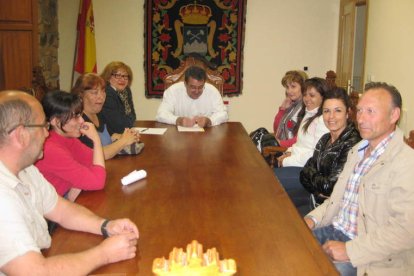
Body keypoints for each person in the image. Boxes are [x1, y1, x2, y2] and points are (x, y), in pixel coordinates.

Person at [0, 90, 139, 275]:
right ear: (21, 135)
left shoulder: (26, 170)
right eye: (43, 126)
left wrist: (105, 226)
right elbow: (35, 272)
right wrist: (104, 254)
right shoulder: (3, 195)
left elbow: (62, 210)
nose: (47, 134)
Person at [304, 82, 414, 275]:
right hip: (335, 230)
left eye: (371, 111)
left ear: (394, 115)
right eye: (360, 110)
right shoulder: (358, 151)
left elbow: (405, 231)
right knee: (287, 244)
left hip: (371, 254)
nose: (361, 118)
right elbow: (337, 200)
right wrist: (312, 219)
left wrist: (349, 250)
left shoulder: (406, 163)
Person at [294, 88, 361, 215]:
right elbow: (303, 173)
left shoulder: (353, 143)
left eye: (338, 111)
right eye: (326, 111)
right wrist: (318, 190)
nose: (331, 117)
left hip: (335, 212)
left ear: (348, 113)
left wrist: (313, 176)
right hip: (315, 200)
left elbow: (330, 187)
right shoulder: (325, 139)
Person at [35, 91, 106, 201]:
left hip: (65, 199)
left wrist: (77, 185)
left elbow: (95, 161)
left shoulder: (67, 138)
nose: (82, 120)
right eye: (75, 116)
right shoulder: (50, 148)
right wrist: (96, 140)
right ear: (55, 121)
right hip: (51, 212)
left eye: (80, 115)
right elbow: (98, 181)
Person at [273, 78, 329, 192]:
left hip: (308, 171)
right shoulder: (308, 114)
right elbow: (299, 144)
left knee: (268, 181)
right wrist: (288, 152)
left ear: (322, 97)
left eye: (312, 95)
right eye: (305, 95)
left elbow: (315, 155)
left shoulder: (322, 120)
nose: (307, 99)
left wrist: (286, 161)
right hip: (298, 163)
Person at [72, 73, 143, 160]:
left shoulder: (99, 113)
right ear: (80, 95)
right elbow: (94, 155)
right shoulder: (78, 121)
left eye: (103, 91)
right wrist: (123, 141)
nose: (101, 97)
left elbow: (110, 136)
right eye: (94, 93)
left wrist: (128, 136)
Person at [155, 65, 228, 127]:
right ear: (185, 84)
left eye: (200, 87)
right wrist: (179, 120)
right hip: (179, 138)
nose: (197, 91)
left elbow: (223, 114)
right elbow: (161, 114)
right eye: (193, 87)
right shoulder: (173, 91)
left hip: (206, 137)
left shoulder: (212, 91)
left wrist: (209, 121)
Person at [100, 61, 136, 135]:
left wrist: (128, 122)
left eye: (125, 76)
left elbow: (133, 116)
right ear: (108, 77)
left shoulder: (126, 91)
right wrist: (129, 122)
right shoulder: (107, 92)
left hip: (124, 133)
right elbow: (118, 125)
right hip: (109, 136)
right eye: (118, 75)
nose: (122, 79)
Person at [274, 70, 307, 147]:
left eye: (293, 86)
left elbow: (301, 138)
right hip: (282, 148)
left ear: (303, 87)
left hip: (292, 151)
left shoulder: (306, 107)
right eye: (287, 87)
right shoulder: (292, 105)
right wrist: (282, 110)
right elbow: (276, 129)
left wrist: (280, 144)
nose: (289, 91)